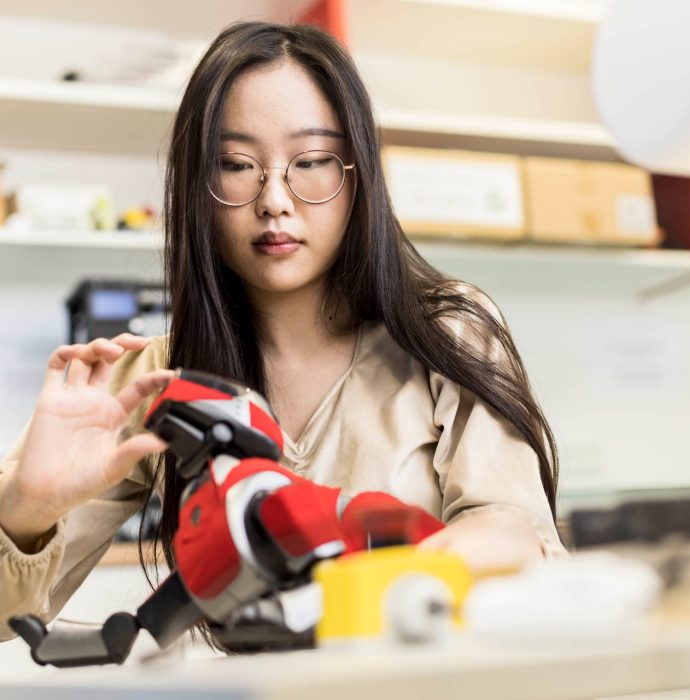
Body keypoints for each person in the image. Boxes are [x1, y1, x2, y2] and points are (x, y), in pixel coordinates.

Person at [0, 21, 565, 642]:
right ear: (198, 186)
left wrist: (349, 594)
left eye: (313, 160)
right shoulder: (154, 382)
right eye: (237, 164)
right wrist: (30, 506)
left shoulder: (446, 332)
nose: (274, 198)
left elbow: (516, 536)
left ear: (359, 176)